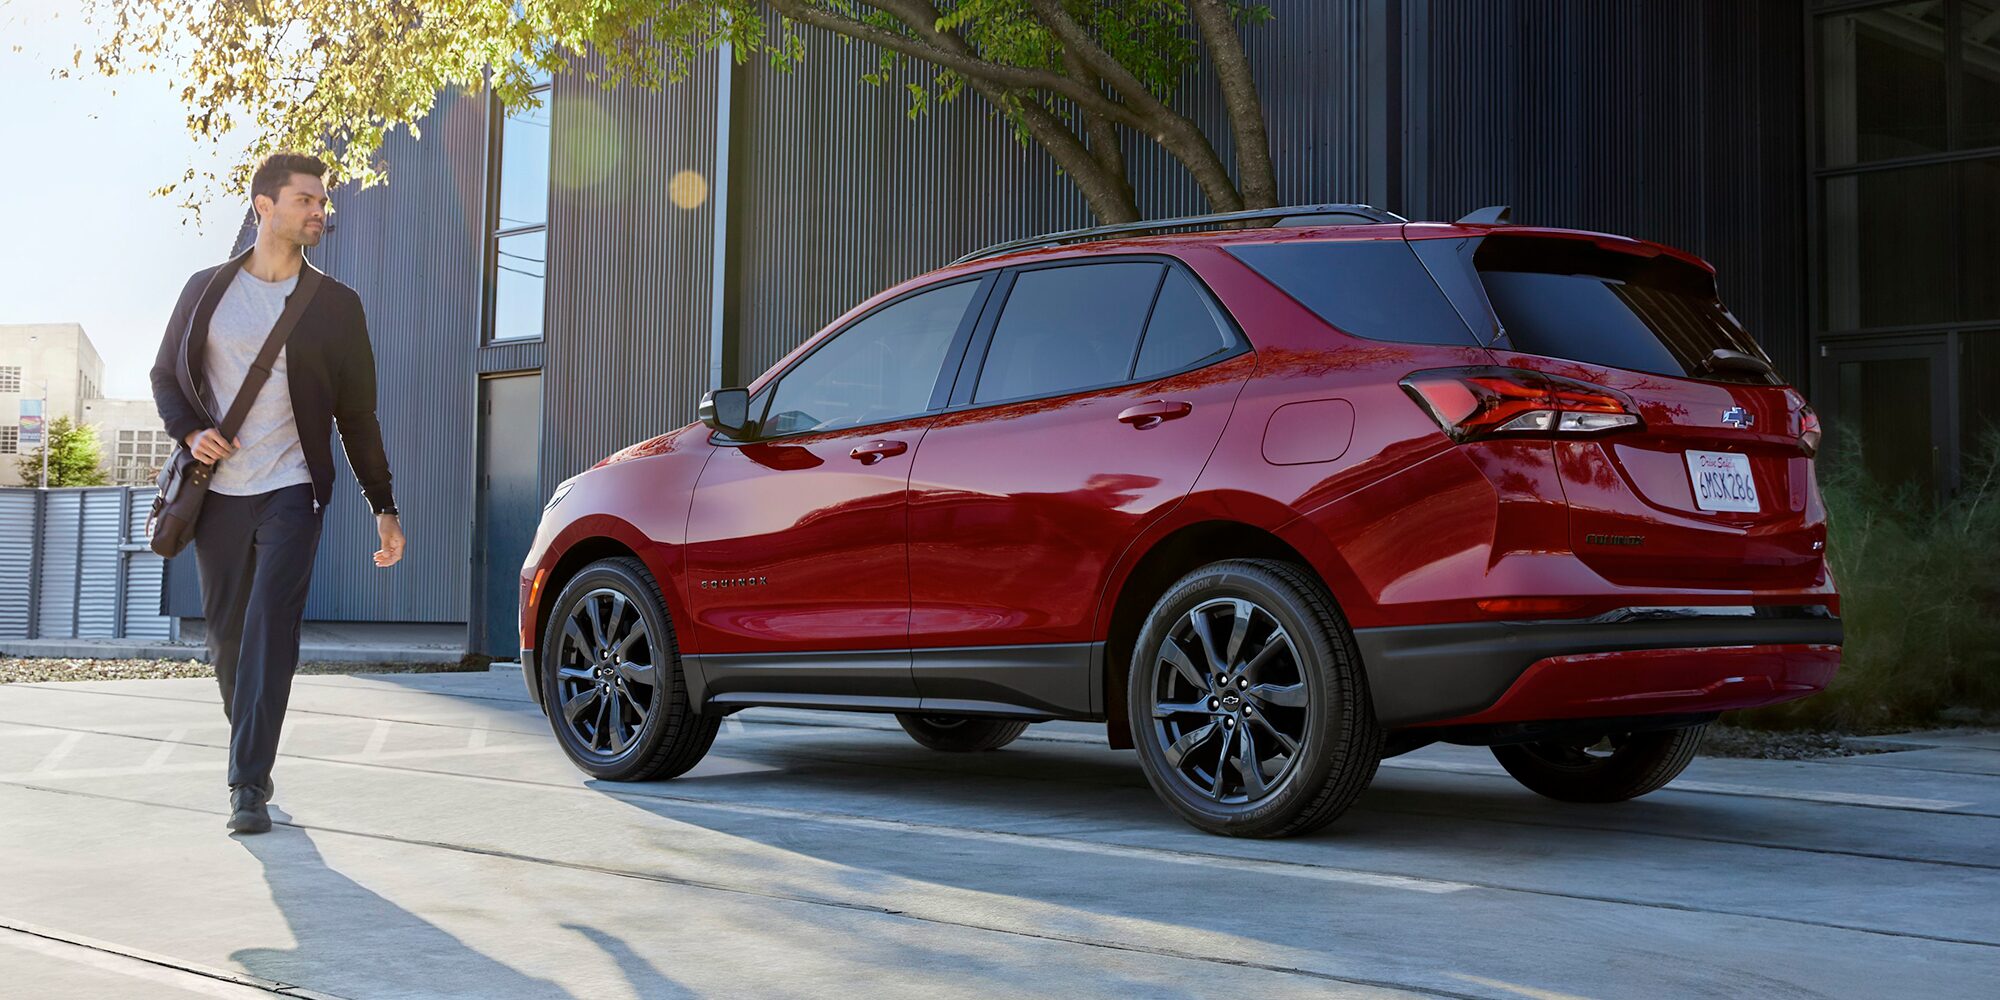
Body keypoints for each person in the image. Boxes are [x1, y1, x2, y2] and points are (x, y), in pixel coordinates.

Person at [150, 152, 406, 834]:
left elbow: (357, 414)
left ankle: (246, 785)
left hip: (293, 490)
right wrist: (190, 433)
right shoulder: (207, 289)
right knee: (228, 640)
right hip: (217, 494)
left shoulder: (337, 305)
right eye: (305, 200)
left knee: (271, 629)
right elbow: (165, 376)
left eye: (322, 201)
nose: (320, 210)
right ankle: (252, 753)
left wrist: (384, 505)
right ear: (264, 206)